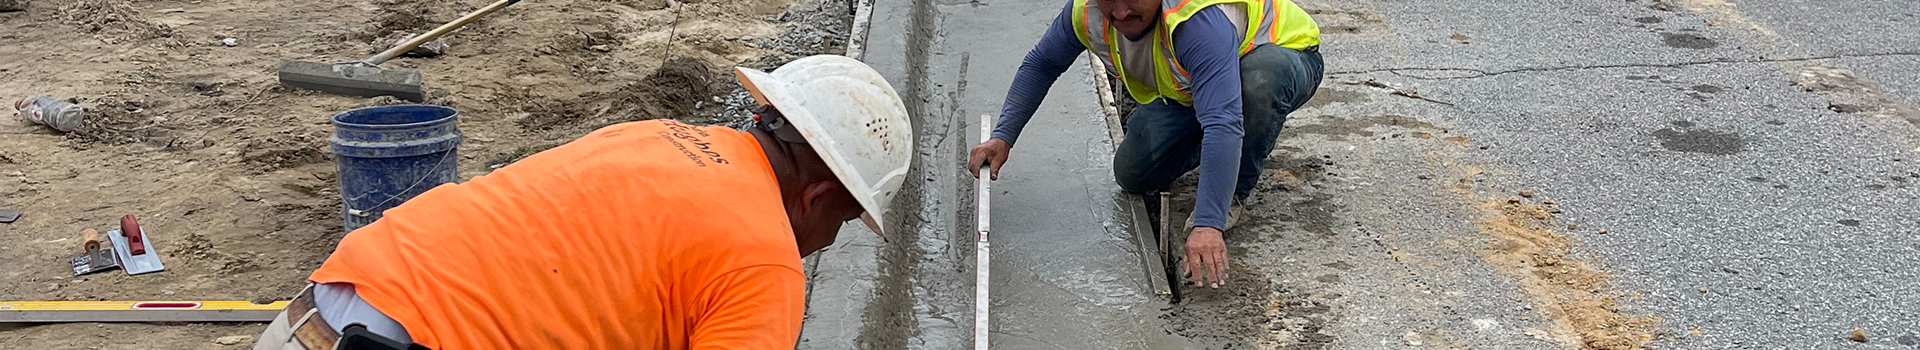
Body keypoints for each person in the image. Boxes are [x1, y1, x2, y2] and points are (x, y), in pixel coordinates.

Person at [253, 54, 914, 350]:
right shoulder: (765, 264)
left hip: (320, 307)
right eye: (846, 220)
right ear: (819, 195)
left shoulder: (655, 136)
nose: (829, 239)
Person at [967, 0, 1322, 289]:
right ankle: (1222, 147)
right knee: (1133, 173)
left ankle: (1234, 189)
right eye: (1109, 1)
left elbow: (1222, 122)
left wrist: (1208, 223)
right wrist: (1003, 136)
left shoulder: (1195, 22)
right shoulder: (1086, 12)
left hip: (1280, 55)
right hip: (1192, 89)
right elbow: (1042, 63)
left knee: (1254, 87)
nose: (1120, 13)